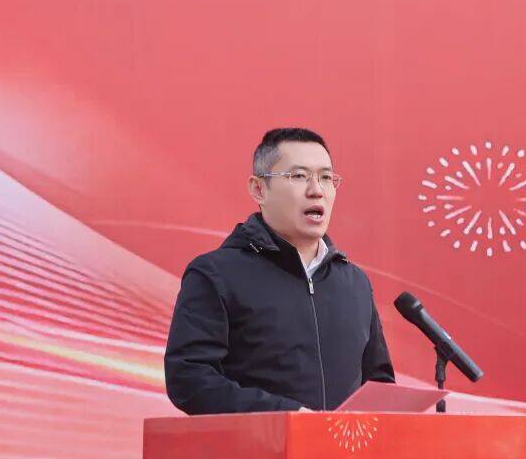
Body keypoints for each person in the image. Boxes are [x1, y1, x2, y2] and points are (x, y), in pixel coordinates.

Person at [164, 127, 395, 414]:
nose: (316, 190)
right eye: (298, 176)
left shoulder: (354, 282)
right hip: (258, 443)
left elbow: (378, 383)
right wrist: (288, 415)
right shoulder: (216, 274)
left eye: (326, 178)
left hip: (340, 446)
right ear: (259, 189)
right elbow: (190, 379)